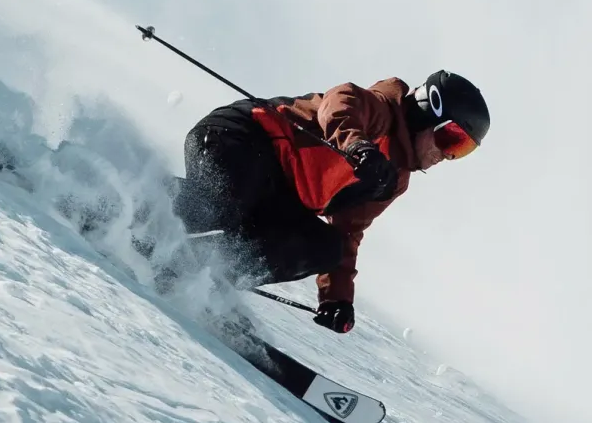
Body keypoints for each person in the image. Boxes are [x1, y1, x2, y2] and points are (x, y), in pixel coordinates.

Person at [172, 70, 490, 334]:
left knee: (324, 248)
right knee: (222, 208)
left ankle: (202, 278)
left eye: (462, 150)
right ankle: (138, 201)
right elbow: (340, 101)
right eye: (451, 138)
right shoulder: (382, 111)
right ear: (426, 113)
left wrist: (337, 297)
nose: (447, 155)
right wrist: (357, 145)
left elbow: (348, 231)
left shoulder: (391, 179)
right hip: (242, 138)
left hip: (275, 196)